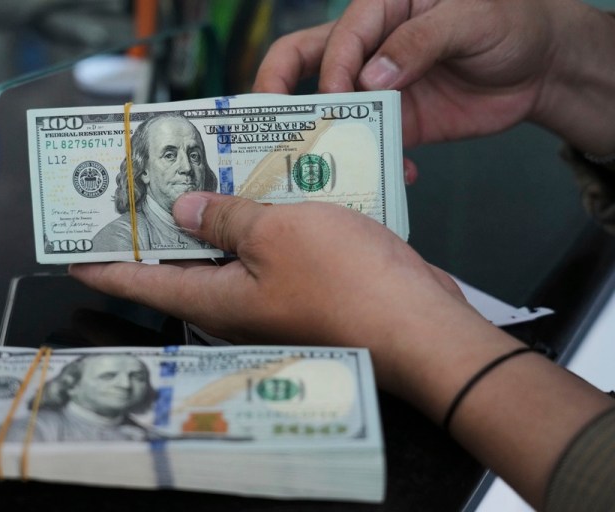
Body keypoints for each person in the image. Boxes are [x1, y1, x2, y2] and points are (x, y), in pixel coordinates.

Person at [71, 0, 615, 510]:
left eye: (195, 151)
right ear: (140, 170)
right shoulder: (117, 236)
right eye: (171, 154)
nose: (189, 166)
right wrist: (569, 66)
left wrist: (415, 333)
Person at [91, 113, 219, 252]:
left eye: (194, 156)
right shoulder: (119, 238)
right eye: (169, 156)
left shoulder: (217, 228)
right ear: (144, 171)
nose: (187, 167)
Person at [0, 354, 159, 442]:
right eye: (108, 376)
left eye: (137, 377)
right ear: (72, 385)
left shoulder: (147, 436)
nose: (125, 385)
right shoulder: (32, 429)